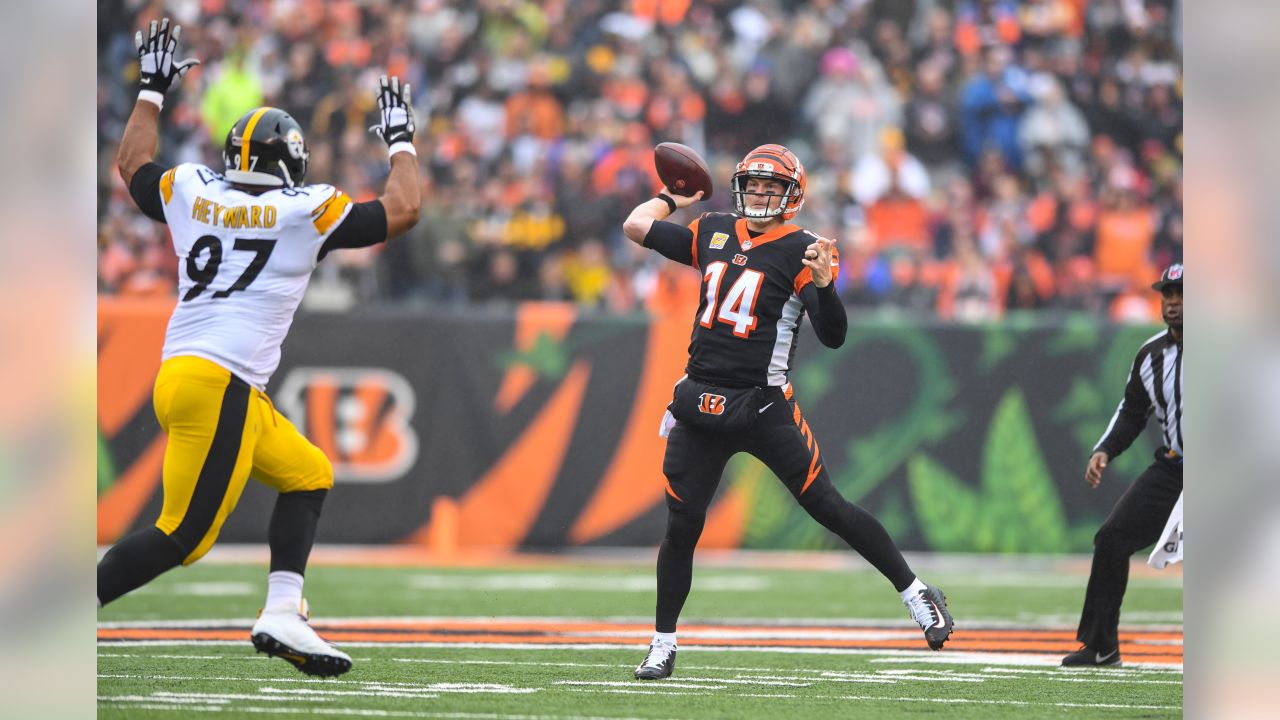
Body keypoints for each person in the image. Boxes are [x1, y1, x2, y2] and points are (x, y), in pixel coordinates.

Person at [97, 18, 421, 677]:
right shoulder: (308, 210)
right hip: (222, 382)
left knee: (308, 474)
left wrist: (153, 90)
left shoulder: (191, 188)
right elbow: (404, 208)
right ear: (292, 162)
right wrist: (401, 140)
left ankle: (282, 613)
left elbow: (130, 164)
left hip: (192, 376)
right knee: (183, 536)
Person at [621, 144, 955, 680]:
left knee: (828, 507)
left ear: (791, 195)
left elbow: (835, 335)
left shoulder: (804, 249)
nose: (758, 193)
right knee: (682, 527)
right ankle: (663, 643)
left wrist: (825, 284)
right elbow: (636, 226)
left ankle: (917, 593)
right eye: (752, 184)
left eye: (770, 187)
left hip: (762, 402)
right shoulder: (712, 230)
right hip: (701, 399)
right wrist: (671, 196)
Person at [1063, 263, 1183, 667]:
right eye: (1168, 295)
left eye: (1181, 294)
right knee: (1112, 538)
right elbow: (1132, 412)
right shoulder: (1151, 355)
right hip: (1175, 469)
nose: (1173, 303)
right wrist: (1104, 450)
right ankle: (1101, 645)